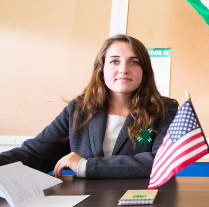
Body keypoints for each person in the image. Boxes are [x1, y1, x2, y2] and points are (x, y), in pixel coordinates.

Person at [0, 34, 178, 179]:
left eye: (134, 62)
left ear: (144, 71)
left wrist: (86, 166)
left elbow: (161, 162)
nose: (124, 69)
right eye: (114, 61)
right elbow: (33, 155)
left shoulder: (165, 109)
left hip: (142, 206)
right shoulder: (78, 110)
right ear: (101, 69)